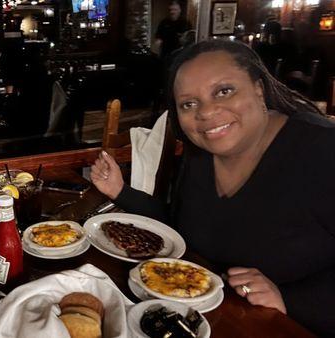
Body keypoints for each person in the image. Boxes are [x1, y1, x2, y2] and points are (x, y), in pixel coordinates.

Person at [91, 40, 335, 337]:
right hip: (207, 319)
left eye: (223, 91)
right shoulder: (201, 153)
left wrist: (293, 300)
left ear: (258, 88)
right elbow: (180, 227)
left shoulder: (321, 150)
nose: (206, 112)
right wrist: (120, 191)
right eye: (189, 104)